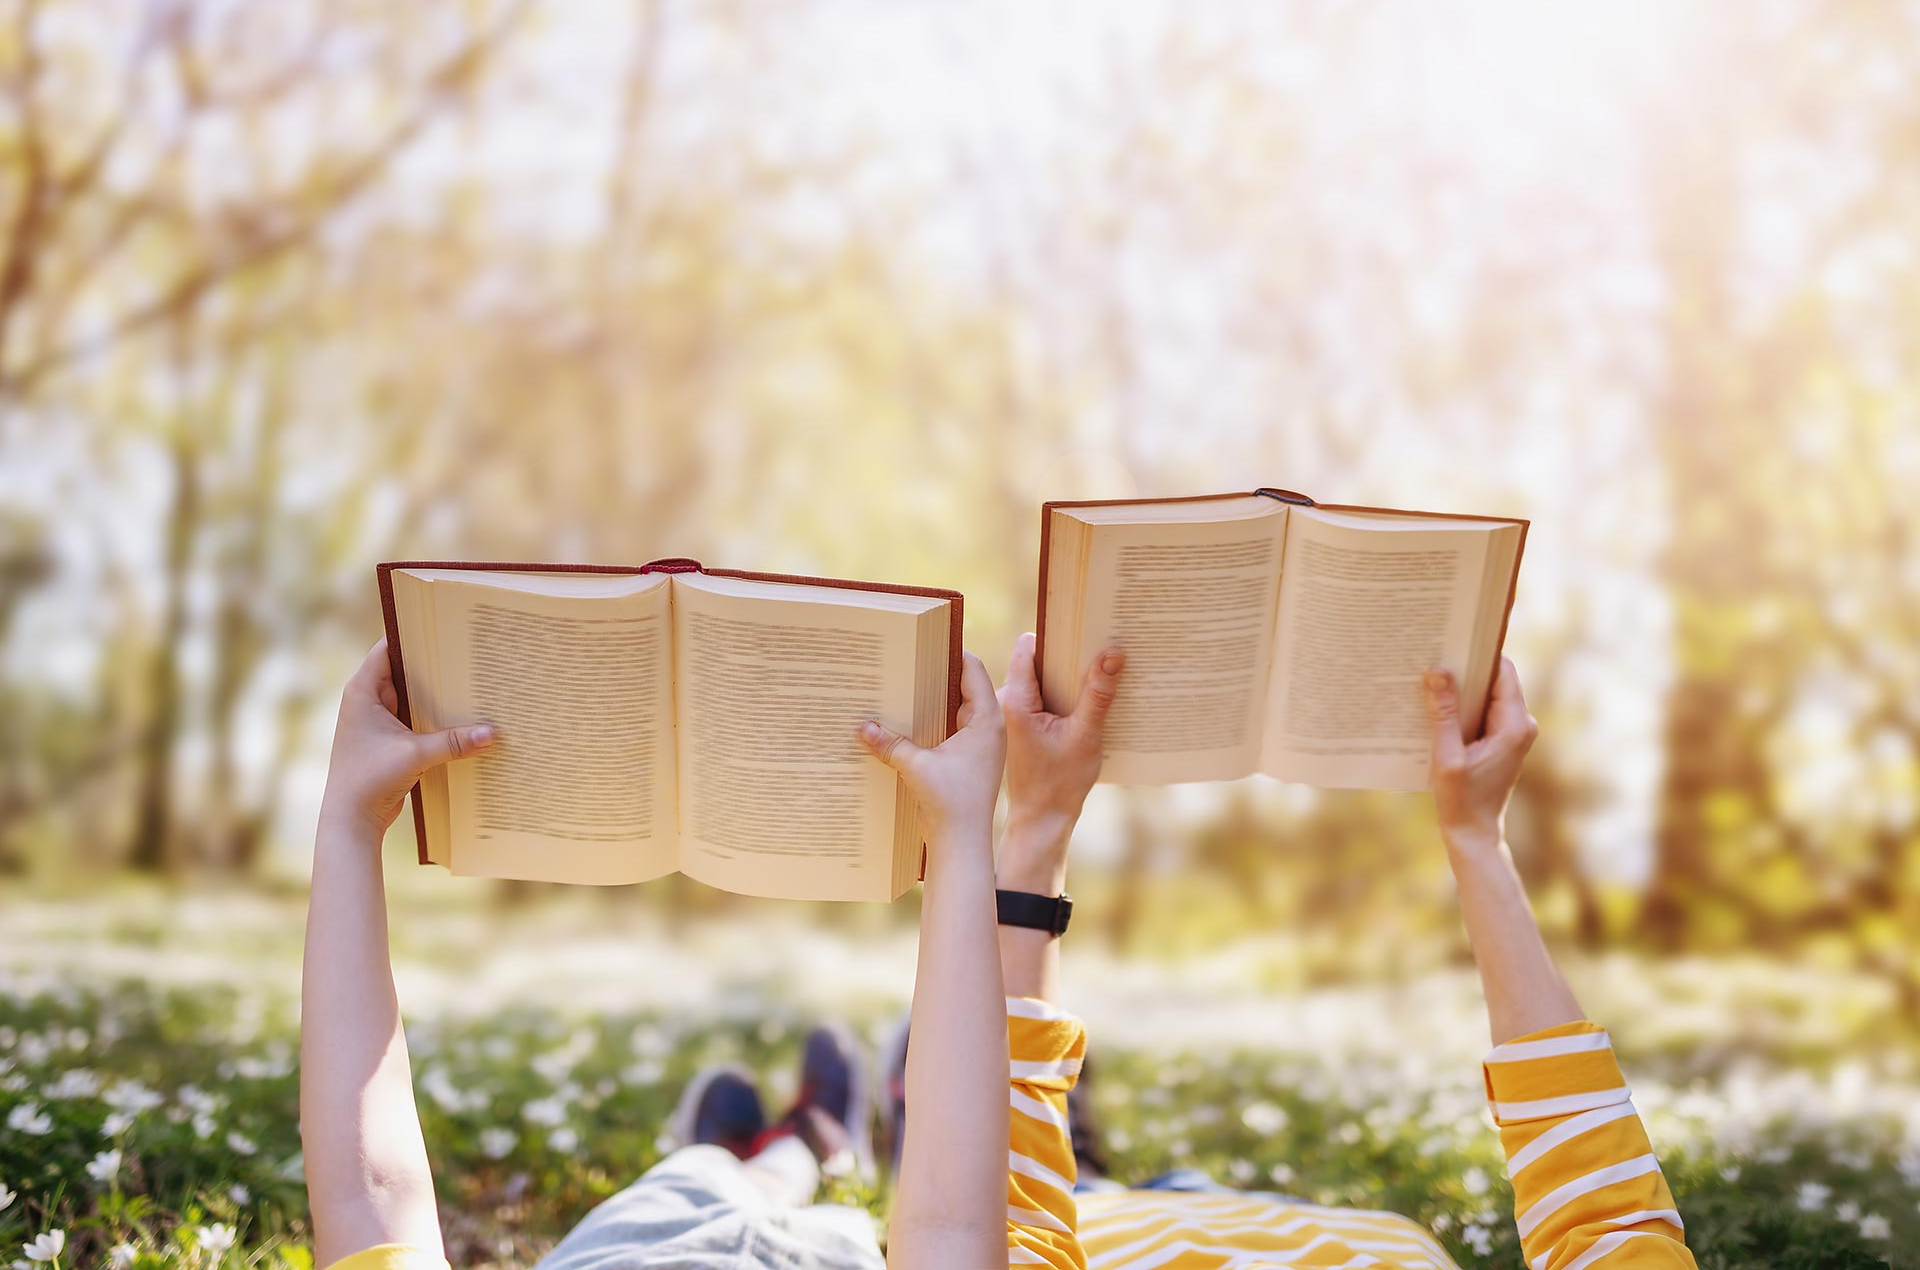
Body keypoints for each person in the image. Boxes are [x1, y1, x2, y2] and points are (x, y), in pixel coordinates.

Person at [298, 640, 1015, 1270]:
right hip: (822, 1254)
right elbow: (948, 1221)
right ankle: (808, 1151)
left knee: (694, 1177)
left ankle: (748, 1157)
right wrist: (957, 837)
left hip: (634, 1249)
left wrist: (352, 821)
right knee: (791, 1201)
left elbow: (375, 1192)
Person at [990, 632, 1698, 1269]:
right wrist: (1476, 837)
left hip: (1113, 1231)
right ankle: (1064, 1151)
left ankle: (1062, 1158)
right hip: (1329, 1232)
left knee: (1036, 1181)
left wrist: (1039, 823)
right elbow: (1609, 1229)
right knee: (1060, 1175)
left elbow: (1003, 1229)